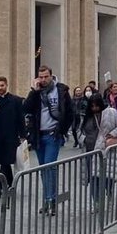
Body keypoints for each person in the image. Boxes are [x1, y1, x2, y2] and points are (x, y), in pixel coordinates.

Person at [23, 66, 73, 215]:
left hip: (53, 135)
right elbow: (26, 108)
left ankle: (51, 200)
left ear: (52, 76)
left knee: (50, 167)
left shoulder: (61, 91)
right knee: (43, 168)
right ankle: (47, 199)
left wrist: (61, 131)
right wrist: (33, 91)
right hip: (39, 135)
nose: (43, 80)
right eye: (41, 77)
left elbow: (70, 112)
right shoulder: (37, 92)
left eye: (46, 77)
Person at [0, 76, 26, 197]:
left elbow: (20, 119)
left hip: (11, 136)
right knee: (5, 162)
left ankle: (0, 186)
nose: (0, 88)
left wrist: (23, 136)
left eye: (2, 85)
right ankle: (10, 185)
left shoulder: (16, 100)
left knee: (6, 161)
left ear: (6, 85)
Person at [81, 95, 117, 209]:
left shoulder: (111, 112)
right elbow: (80, 131)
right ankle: (96, 202)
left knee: (107, 176)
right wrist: (83, 140)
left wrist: (113, 134)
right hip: (91, 149)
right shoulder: (87, 116)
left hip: (106, 149)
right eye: (92, 106)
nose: (94, 108)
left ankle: (109, 194)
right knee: (94, 178)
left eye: (96, 105)